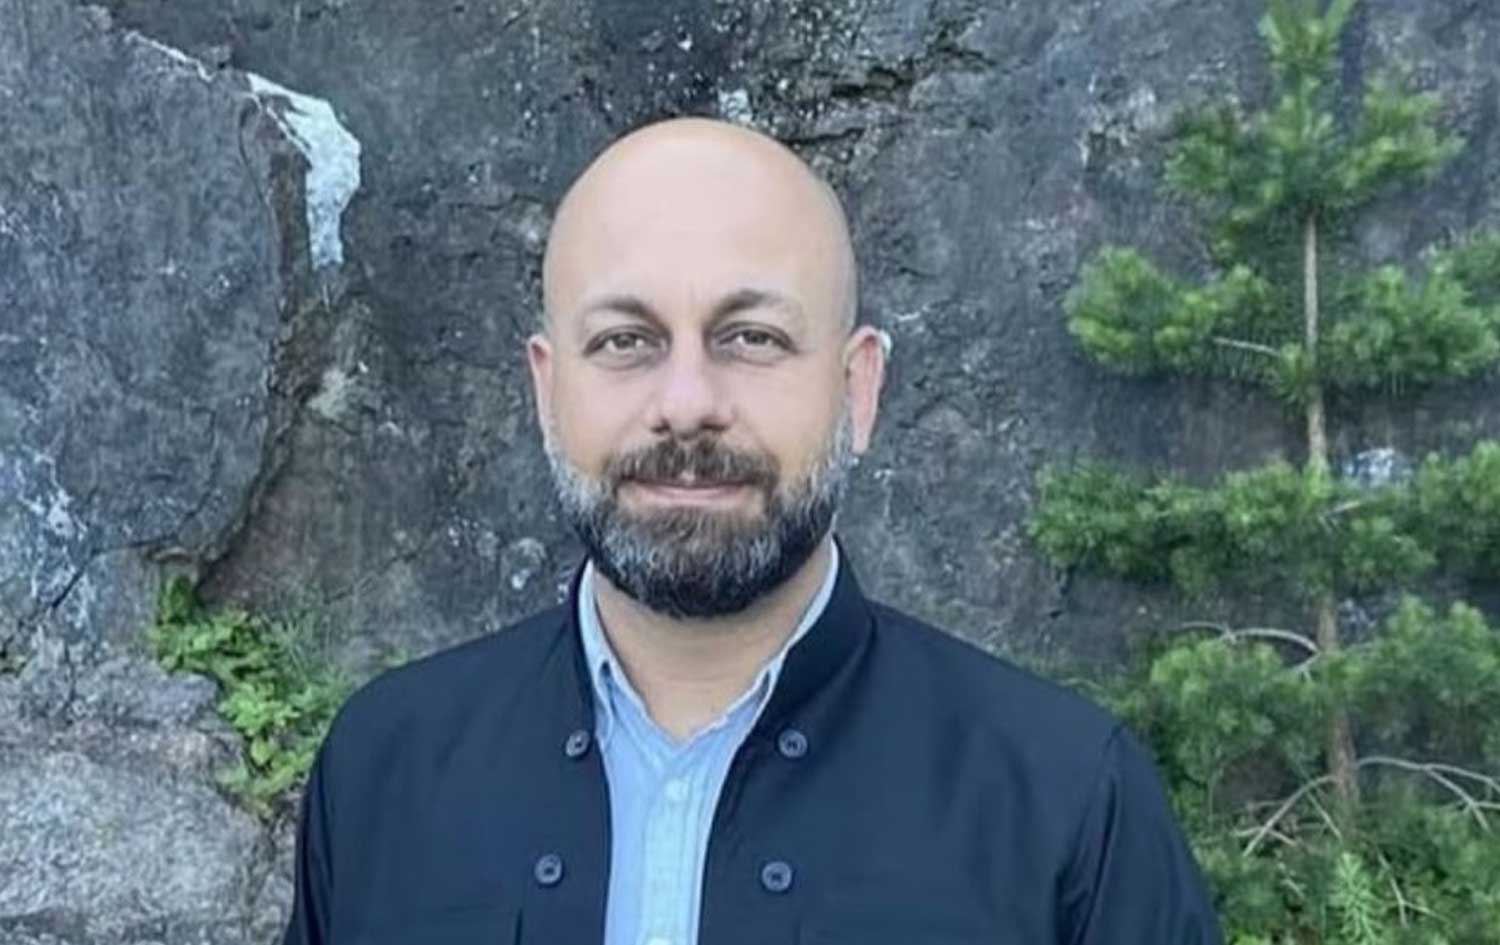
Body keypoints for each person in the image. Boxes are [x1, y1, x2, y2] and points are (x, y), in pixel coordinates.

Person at [282, 116, 1223, 944]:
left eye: (752, 338)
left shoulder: (1067, 802)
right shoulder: (385, 771)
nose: (687, 403)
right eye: (625, 341)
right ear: (546, 388)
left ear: (858, 388)